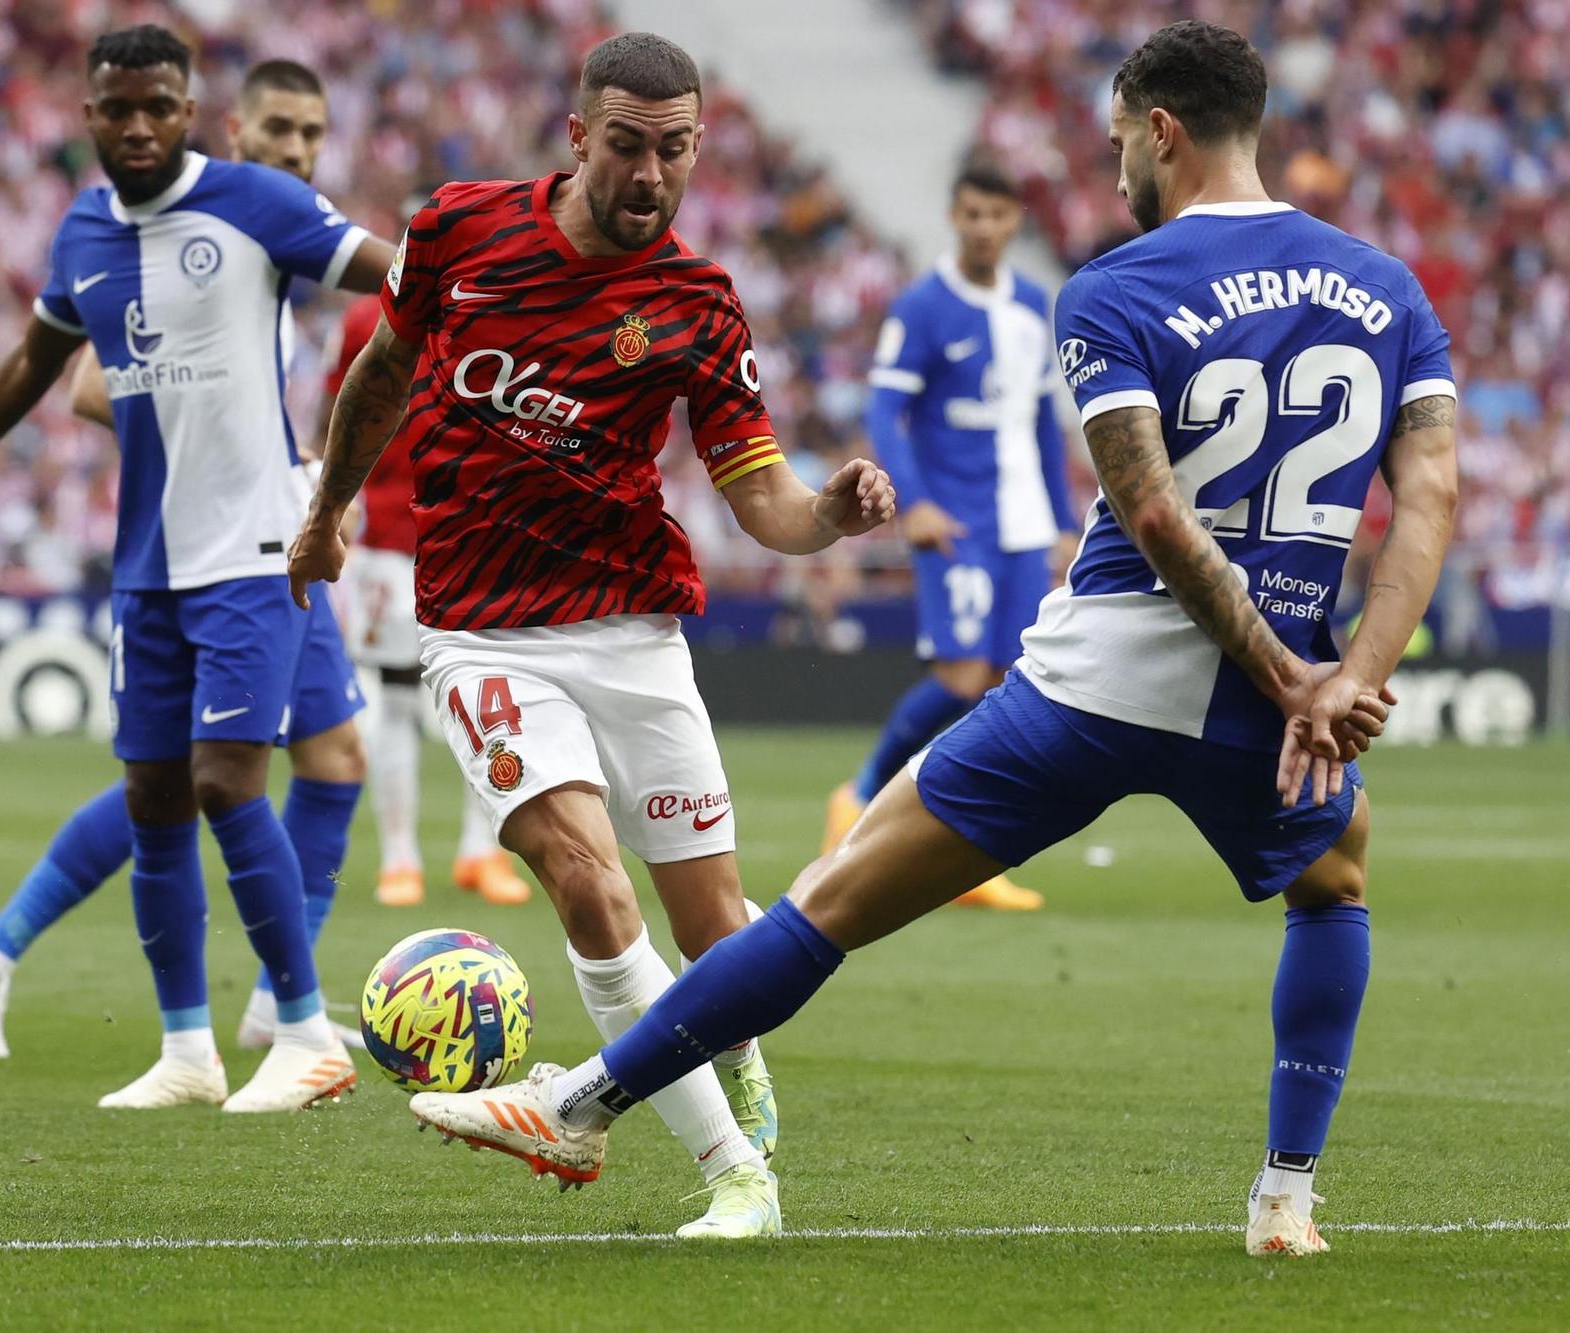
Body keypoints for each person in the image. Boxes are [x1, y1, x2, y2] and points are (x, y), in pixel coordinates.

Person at [405, 20, 1457, 1262]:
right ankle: (1284, 1200)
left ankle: (579, 1106)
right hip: (1269, 715)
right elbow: (1429, 492)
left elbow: (1152, 512)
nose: (1115, 161)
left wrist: (1289, 673)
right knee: (1334, 888)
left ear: (1160, 131)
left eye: (1120, 136)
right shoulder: (1385, 286)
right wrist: (1339, 681)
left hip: (1100, 679)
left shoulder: (1114, 286)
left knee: (824, 905)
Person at [286, 32, 896, 1238]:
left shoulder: (695, 305)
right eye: (627, 145)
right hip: (482, 630)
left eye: (674, 151)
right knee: (585, 881)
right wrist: (325, 512)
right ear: (577, 137)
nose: (649, 175)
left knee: (719, 932)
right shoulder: (457, 229)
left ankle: (724, 1058)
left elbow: (759, 495)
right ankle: (733, 1177)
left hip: (631, 627)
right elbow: (383, 375)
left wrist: (824, 513)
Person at [0, 25, 398, 1113]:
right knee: (157, 793)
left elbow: (399, 278)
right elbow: (40, 358)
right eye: (117, 108)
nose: (137, 125)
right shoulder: (81, 229)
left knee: (228, 780)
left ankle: (299, 1029)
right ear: (88, 117)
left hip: (257, 549)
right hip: (148, 564)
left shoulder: (256, 203)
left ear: (189, 110)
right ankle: (184, 1049)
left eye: (157, 105)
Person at [824, 163, 1081, 912]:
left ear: (1014, 222)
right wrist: (917, 503)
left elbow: (1039, 420)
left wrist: (1063, 519)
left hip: (1022, 522)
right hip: (957, 521)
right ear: (953, 216)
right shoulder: (924, 306)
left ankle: (961, 851)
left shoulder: (1035, 305)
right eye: (970, 213)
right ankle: (861, 792)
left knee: (1005, 684)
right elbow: (885, 412)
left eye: (996, 215)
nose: (982, 228)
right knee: (963, 675)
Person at [325, 292, 531, 909]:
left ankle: (481, 850)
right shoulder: (368, 319)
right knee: (392, 696)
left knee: (494, 695)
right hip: (389, 532)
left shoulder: (506, 308)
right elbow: (343, 410)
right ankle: (399, 858)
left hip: (480, 526)